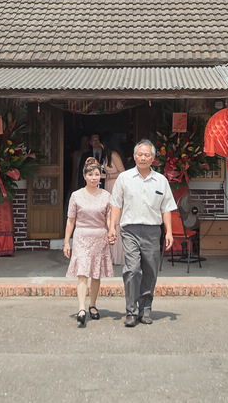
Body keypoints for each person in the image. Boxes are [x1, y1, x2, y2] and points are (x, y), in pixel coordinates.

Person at [107, 138, 177, 327]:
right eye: (140, 154)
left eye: (147, 155)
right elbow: (116, 204)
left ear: (153, 158)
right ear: (134, 156)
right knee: (131, 270)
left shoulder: (161, 180)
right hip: (130, 230)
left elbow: (166, 208)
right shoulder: (124, 178)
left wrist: (169, 232)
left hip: (153, 231)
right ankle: (131, 311)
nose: (143, 158)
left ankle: (145, 310)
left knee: (150, 271)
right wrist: (112, 227)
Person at [63, 158, 114, 324]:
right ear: (84, 176)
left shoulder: (106, 196)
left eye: (97, 174)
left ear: (101, 176)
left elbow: (108, 219)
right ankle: (81, 308)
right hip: (81, 237)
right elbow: (71, 221)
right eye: (90, 174)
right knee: (82, 273)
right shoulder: (76, 196)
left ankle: (93, 305)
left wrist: (111, 231)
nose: (94, 177)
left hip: (99, 236)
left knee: (96, 273)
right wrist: (66, 242)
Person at [99, 137, 126, 266]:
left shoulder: (114, 154)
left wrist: (106, 176)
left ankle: (118, 255)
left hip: (114, 184)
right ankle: (109, 254)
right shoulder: (106, 155)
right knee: (108, 216)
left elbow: (122, 172)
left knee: (115, 217)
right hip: (108, 185)